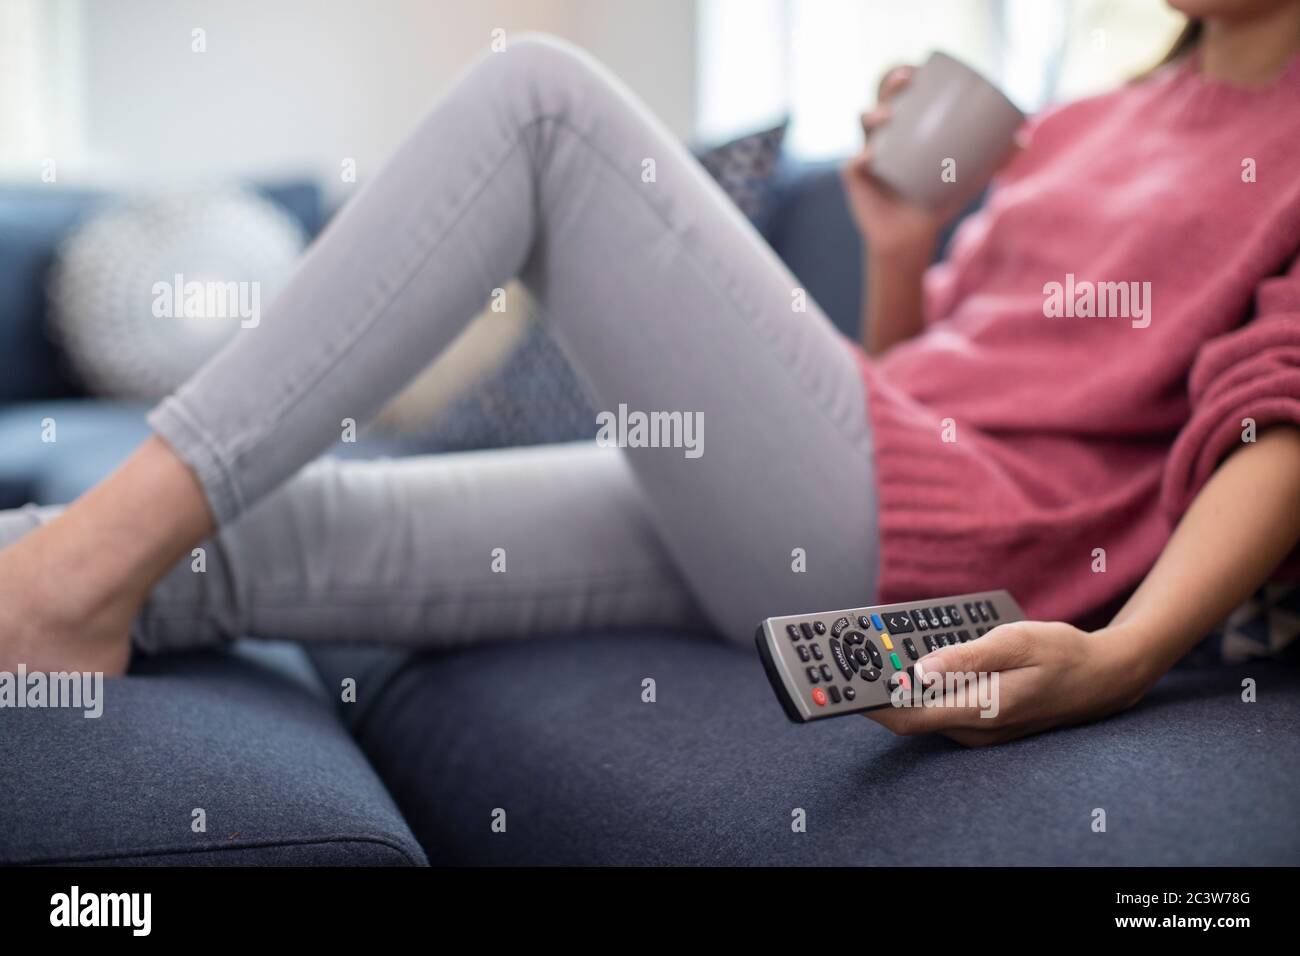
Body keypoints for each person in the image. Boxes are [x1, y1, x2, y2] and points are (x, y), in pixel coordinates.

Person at [2, 0, 1297, 745]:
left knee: (541, 102)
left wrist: (1124, 657)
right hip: (839, 498)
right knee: (254, 544)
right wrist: (900, 249)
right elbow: (944, 380)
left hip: (951, 554)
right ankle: (51, 593)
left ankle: (63, 575)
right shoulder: (1084, 123)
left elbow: (1279, 408)